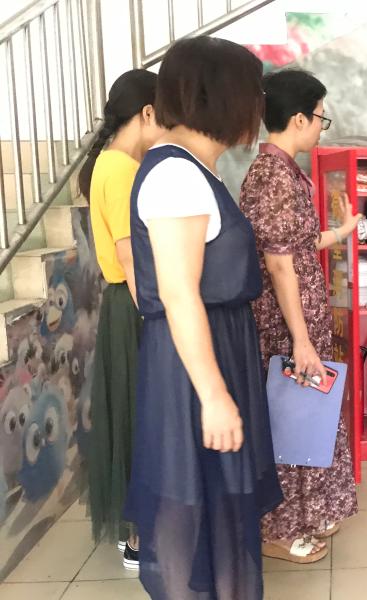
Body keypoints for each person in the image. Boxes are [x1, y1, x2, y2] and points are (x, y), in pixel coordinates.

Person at [123, 36, 282, 600]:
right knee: (191, 498)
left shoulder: (194, 169)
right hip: (195, 362)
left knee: (214, 499)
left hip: (213, 348)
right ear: (225, 96)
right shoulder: (177, 176)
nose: (258, 106)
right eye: (255, 92)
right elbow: (178, 295)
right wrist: (213, 395)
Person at [239, 69, 360, 564]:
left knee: (308, 417)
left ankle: (308, 513)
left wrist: (344, 230)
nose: (321, 128)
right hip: (286, 329)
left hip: (299, 323)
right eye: (320, 118)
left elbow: (300, 246)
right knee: (290, 423)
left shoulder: (284, 171)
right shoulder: (272, 175)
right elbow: (280, 264)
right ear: (298, 119)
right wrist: (301, 340)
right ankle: (280, 530)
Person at [78, 69, 164, 571]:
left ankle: (136, 533)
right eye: (165, 117)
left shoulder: (111, 164)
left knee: (132, 414)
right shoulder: (121, 169)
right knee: (139, 417)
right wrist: (158, 318)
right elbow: (132, 259)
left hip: (124, 305)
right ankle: (139, 538)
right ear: (147, 113)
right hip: (134, 306)